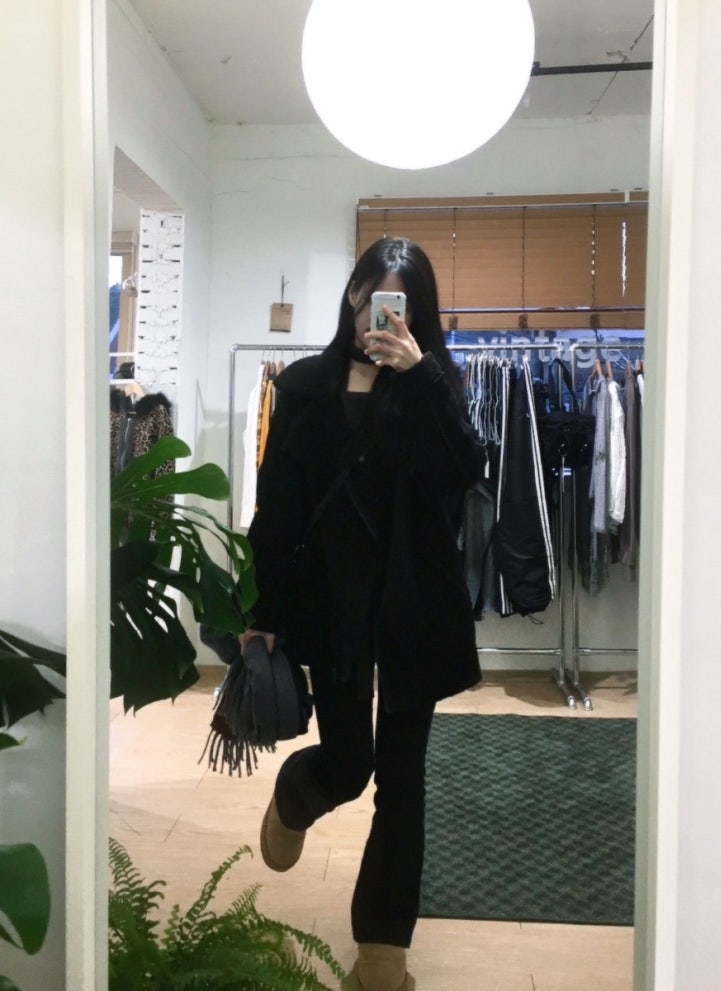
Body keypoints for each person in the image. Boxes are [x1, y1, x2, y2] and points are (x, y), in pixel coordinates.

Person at [243, 237, 484, 991]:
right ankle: (298, 794)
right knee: (350, 763)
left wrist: (420, 377)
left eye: (398, 304)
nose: (379, 315)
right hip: (332, 604)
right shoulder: (305, 385)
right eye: (371, 296)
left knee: (402, 782)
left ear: (416, 313)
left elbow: (465, 472)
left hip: (413, 605)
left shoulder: (433, 383)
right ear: (353, 294)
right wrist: (263, 607)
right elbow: (278, 505)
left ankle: (383, 954)